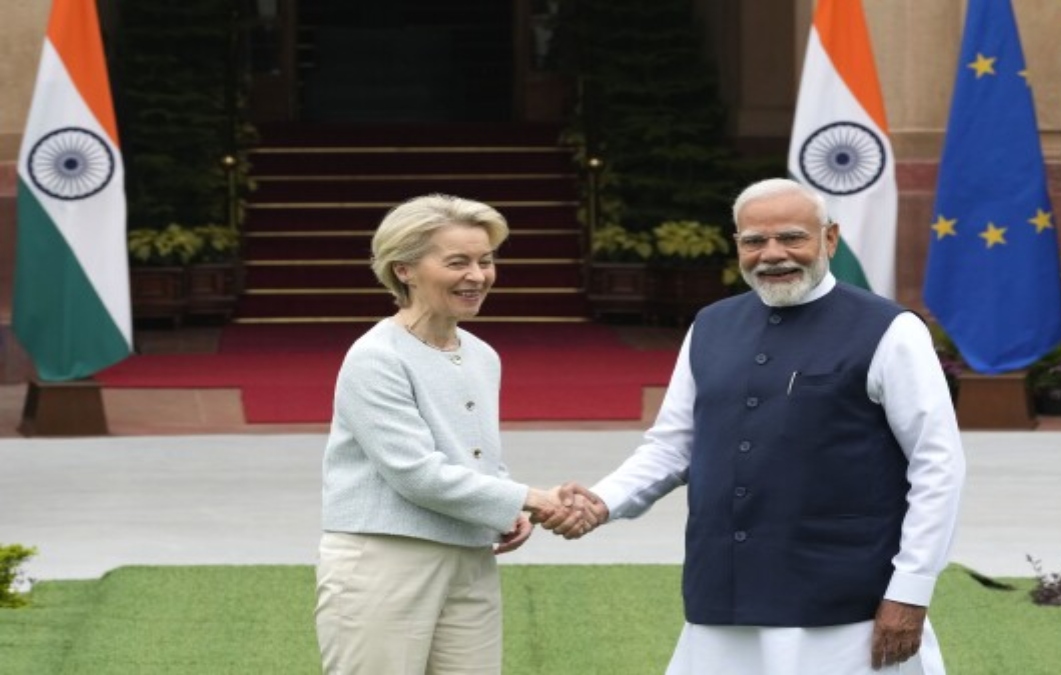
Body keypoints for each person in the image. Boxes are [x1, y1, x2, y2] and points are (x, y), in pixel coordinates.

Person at [553, 178, 966, 674]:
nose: (772, 254)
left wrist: (911, 590)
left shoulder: (891, 330)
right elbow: (671, 447)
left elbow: (938, 466)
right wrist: (602, 502)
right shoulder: (710, 325)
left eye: (792, 237)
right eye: (754, 241)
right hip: (722, 593)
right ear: (738, 247)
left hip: (843, 602)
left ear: (829, 239)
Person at [315, 194, 590, 674]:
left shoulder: (482, 354)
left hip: (470, 556)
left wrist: (506, 511)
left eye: (486, 261)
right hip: (384, 561)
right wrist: (530, 499)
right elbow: (415, 473)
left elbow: (475, 454)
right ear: (404, 269)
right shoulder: (376, 357)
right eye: (457, 262)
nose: (478, 276)